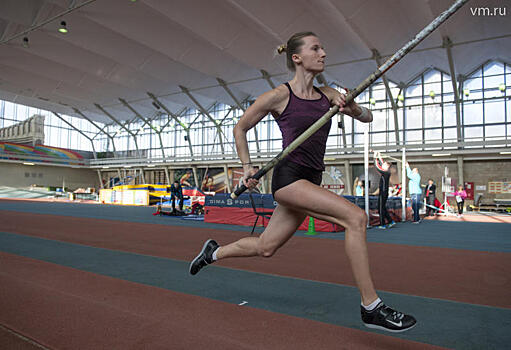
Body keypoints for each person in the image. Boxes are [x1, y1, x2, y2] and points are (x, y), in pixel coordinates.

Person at [189, 32, 416, 332]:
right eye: (316, 48)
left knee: (266, 247)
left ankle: (212, 253)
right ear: (297, 58)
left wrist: (353, 108)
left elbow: (368, 117)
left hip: (311, 179)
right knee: (356, 218)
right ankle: (371, 307)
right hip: (288, 180)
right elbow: (240, 128)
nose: (323, 53)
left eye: (322, 47)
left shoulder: (329, 94)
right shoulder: (278, 96)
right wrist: (246, 166)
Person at [374, 151, 395, 229]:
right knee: (382, 208)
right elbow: (381, 163)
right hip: (383, 192)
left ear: (387, 166)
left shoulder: (386, 172)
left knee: (380, 209)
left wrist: (375, 158)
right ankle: (390, 221)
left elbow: (377, 166)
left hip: (383, 192)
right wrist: (379, 156)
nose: (383, 165)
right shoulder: (386, 171)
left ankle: (382, 224)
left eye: (384, 164)